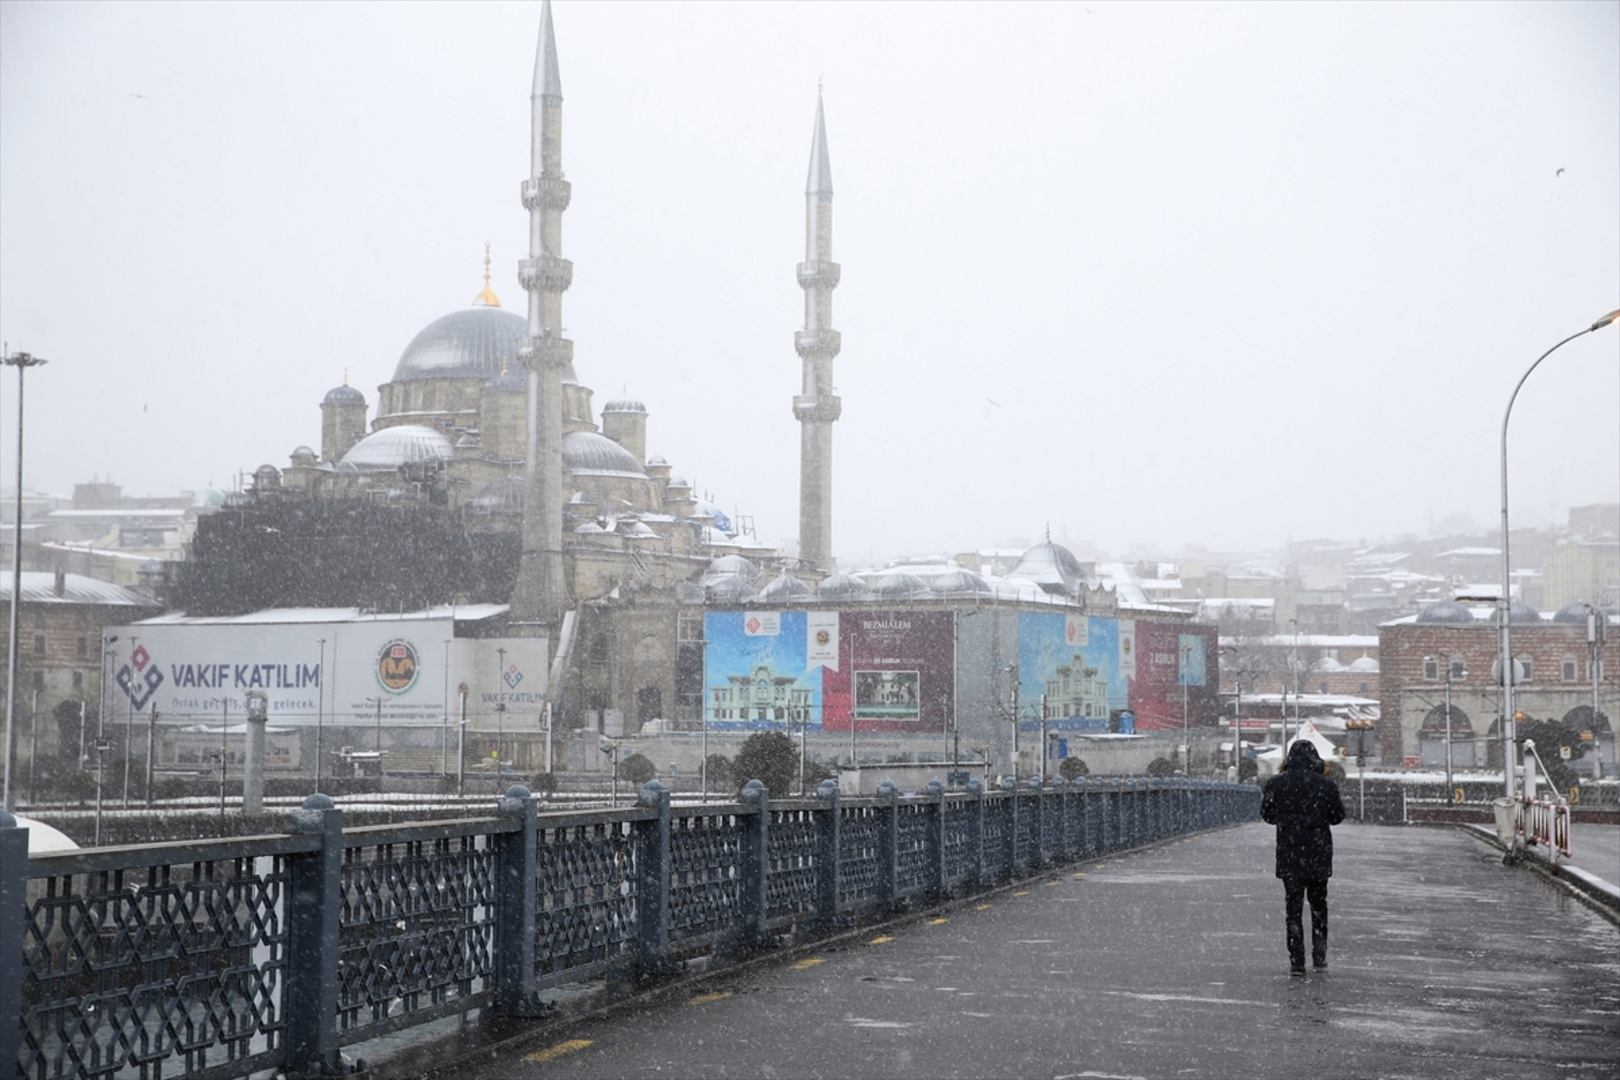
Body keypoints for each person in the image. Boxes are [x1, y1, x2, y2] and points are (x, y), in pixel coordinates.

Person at [1260, 740, 1346, 975]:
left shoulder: (1276, 784)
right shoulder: (1326, 786)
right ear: (1315, 760)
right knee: (1319, 906)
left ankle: (1297, 962)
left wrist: (1288, 820)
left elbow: (1267, 815)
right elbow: (1338, 816)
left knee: (1293, 909)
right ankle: (1319, 957)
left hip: (1289, 854)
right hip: (1318, 854)